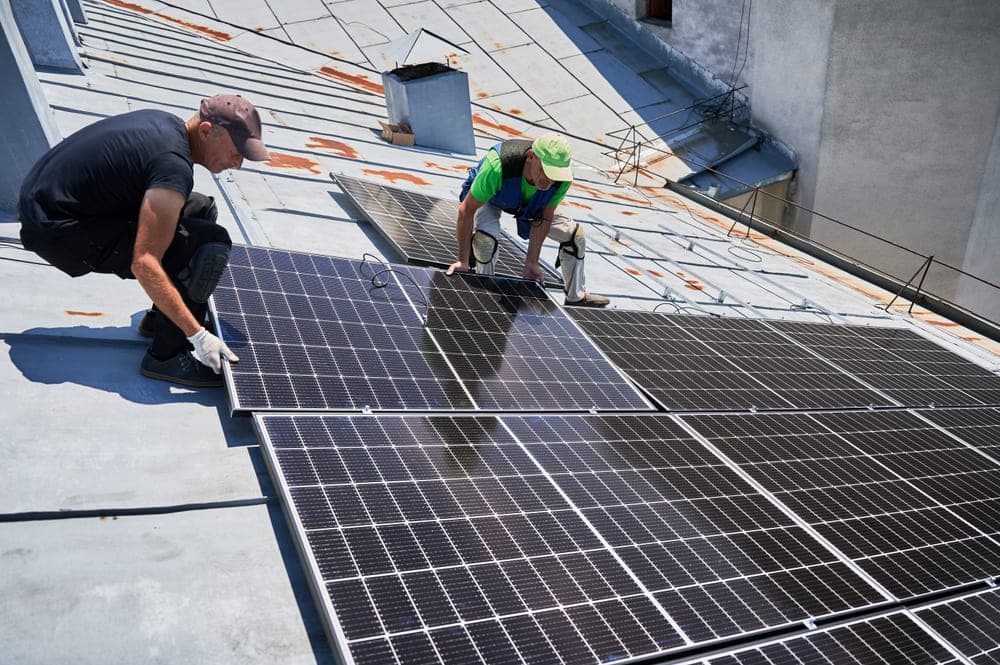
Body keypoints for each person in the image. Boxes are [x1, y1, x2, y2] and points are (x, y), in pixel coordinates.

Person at [17, 94, 269, 387]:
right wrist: (198, 336)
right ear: (205, 131)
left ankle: (161, 319)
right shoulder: (172, 165)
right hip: (60, 232)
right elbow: (144, 262)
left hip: (50, 206)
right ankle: (168, 355)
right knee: (209, 245)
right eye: (236, 151)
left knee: (200, 208)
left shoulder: (166, 125)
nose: (238, 164)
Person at [446, 132, 609, 307]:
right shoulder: (498, 166)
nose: (549, 180)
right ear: (531, 156)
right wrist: (462, 260)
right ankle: (484, 295)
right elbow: (466, 210)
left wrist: (532, 262)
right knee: (486, 242)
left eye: (555, 175)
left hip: (529, 204)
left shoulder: (561, 180)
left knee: (576, 236)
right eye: (546, 171)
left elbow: (544, 218)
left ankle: (576, 297)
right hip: (492, 198)